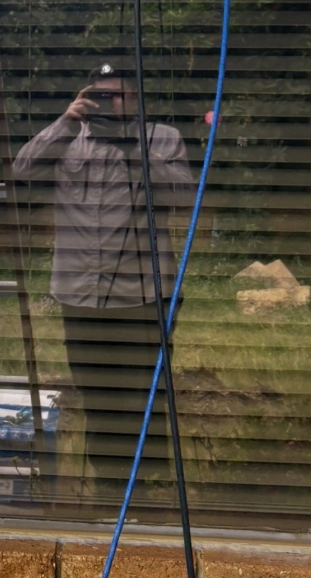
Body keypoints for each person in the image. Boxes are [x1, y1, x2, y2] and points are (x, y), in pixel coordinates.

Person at [12, 63, 195, 500]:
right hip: (80, 294)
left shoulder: (161, 138)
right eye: (101, 95)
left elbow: (183, 196)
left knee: (143, 396)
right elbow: (22, 171)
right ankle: (109, 488)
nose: (109, 104)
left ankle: (147, 487)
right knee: (96, 394)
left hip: (143, 295)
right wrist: (64, 120)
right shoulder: (68, 137)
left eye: (118, 95)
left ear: (136, 98)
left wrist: (132, 147)